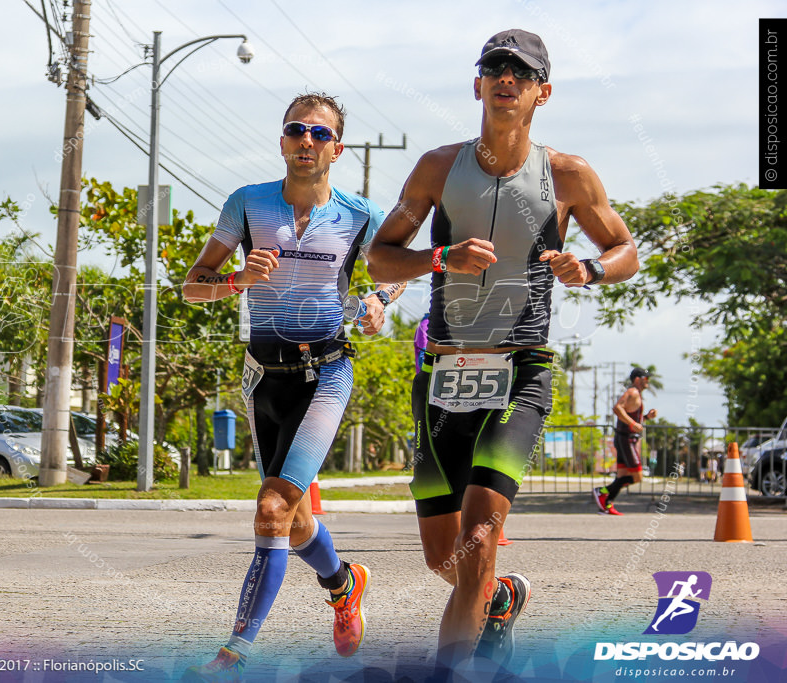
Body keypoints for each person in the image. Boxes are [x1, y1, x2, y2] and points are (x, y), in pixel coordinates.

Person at [367, 29, 639, 672]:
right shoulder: (437, 167)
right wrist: (440, 257)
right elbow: (380, 259)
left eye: (521, 70)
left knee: (480, 534)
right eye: (494, 67)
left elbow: (624, 250)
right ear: (478, 84)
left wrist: (591, 271)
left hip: (521, 369)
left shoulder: (568, 176)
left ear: (543, 91)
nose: (506, 77)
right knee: (447, 559)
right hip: (443, 370)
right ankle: (497, 600)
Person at [181, 92, 406, 681]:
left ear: (337, 147)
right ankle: (343, 582)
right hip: (265, 378)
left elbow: (397, 272)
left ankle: (234, 654)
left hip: (327, 372)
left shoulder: (361, 214)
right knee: (295, 518)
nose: (306, 141)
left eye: (319, 133)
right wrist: (234, 280)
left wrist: (379, 301)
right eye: (295, 130)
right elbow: (191, 285)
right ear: (283, 140)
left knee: (272, 507)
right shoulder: (247, 205)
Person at [593, 367, 657, 515]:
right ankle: (601, 491)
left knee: (621, 477)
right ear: (637, 379)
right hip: (626, 440)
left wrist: (646, 417)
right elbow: (617, 408)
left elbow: (632, 417)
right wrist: (633, 424)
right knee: (637, 476)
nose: (648, 381)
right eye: (646, 378)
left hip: (626, 439)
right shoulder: (632, 392)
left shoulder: (637, 394)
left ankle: (606, 504)